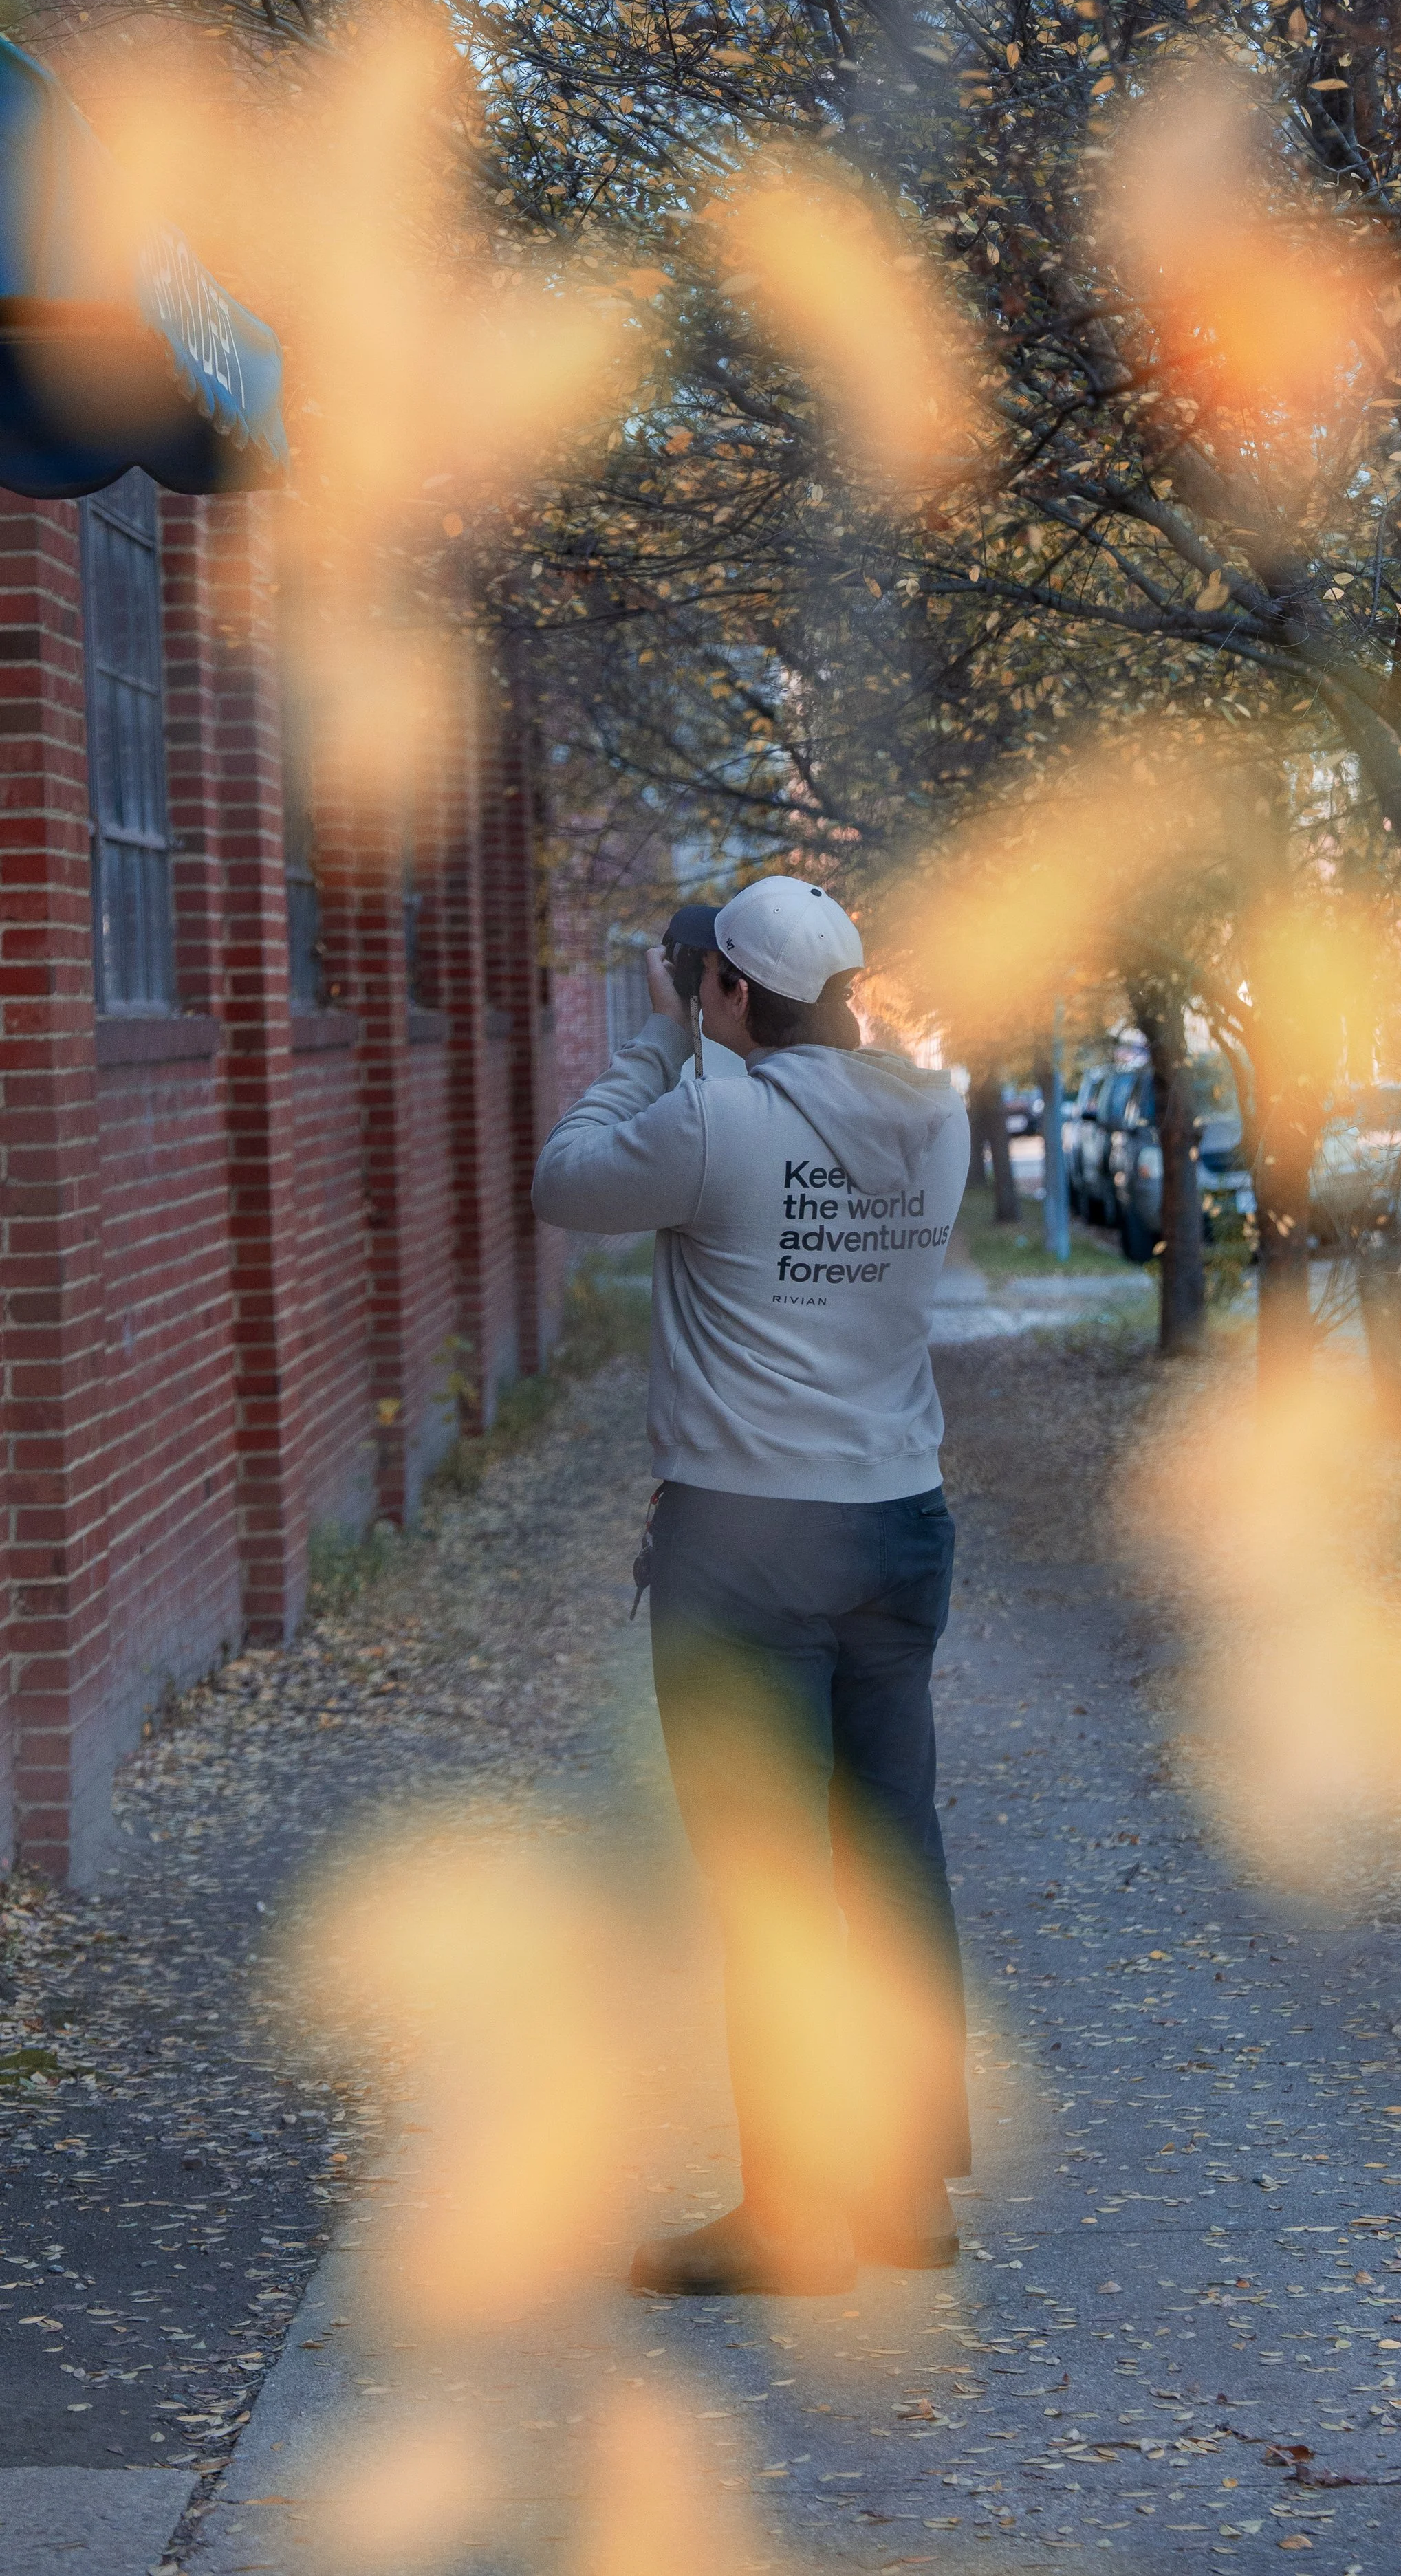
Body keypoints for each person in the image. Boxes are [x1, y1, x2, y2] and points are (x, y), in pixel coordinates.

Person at [532, 877, 972, 2297]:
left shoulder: (706, 1117)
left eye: (698, 987)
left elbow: (564, 1181)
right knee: (892, 1857)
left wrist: (663, 1045)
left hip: (746, 1550)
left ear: (721, 989)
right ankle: (904, 2197)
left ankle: (788, 2219)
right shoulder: (936, 1118)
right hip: (899, 1526)